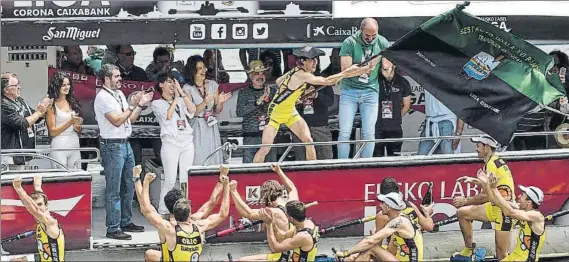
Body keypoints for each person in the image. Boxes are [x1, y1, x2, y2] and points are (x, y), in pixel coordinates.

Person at [252, 46, 363, 163]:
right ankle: (252, 174)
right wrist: (347, 71)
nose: (315, 63)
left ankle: (312, 169)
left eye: (316, 59)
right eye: (311, 60)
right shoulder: (303, 75)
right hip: (275, 114)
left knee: (308, 141)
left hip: (290, 112)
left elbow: (278, 81)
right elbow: (327, 81)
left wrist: (292, 97)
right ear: (302, 61)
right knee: (265, 148)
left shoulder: (294, 70)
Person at [94, 63, 153, 240]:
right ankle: (113, 227)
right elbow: (117, 121)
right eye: (117, 76)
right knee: (114, 189)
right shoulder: (102, 98)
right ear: (106, 79)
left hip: (125, 143)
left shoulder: (119, 94)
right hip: (112, 145)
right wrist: (131, 105)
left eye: (120, 75)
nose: (120, 79)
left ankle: (125, 220)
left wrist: (140, 106)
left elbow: (130, 120)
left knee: (129, 184)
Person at [133, 165, 230, 262]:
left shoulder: (167, 227)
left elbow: (145, 207)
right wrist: (223, 180)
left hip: (169, 256)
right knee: (150, 254)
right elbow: (214, 204)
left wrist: (140, 180)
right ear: (189, 213)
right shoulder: (198, 223)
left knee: (150, 254)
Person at [451, 135, 516, 261]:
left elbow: (487, 195)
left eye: (478, 146)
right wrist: (475, 180)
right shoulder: (493, 161)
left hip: (504, 212)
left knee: (502, 255)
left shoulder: (491, 165)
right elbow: (494, 187)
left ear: (487, 147)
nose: (476, 149)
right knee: (462, 213)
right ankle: (469, 250)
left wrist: (465, 200)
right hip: (495, 206)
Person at [337, 17, 389, 159]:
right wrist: (367, 68)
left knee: (369, 132)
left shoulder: (382, 42)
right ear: (360, 30)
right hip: (349, 91)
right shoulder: (350, 42)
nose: (370, 38)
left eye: (374, 35)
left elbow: (386, 69)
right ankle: (342, 164)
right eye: (367, 35)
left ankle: (366, 163)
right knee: (345, 131)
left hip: (370, 91)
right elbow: (345, 71)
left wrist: (388, 67)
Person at [349, 177, 433, 261]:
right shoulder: (410, 205)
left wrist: (350, 254)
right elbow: (429, 227)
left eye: (382, 202)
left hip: (399, 255)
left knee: (367, 249)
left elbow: (375, 244)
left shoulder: (381, 216)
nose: (380, 205)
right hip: (405, 252)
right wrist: (427, 213)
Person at [230, 164, 299, 261]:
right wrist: (279, 171)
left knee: (242, 261)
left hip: (281, 257)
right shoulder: (291, 202)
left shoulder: (273, 212)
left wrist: (233, 191)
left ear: (267, 198)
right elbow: (292, 187)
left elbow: (247, 213)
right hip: (285, 253)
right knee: (241, 259)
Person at [151, 73, 196, 215]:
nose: (172, 85)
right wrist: (175, 99)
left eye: (174, 82)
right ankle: (163, 210)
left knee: (184, 178)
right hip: (170, 142)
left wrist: (181, 93)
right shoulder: (157, 103)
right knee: (170, 179)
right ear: (161, 84)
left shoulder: (181, 100)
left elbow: (193, 110)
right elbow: (168, 116)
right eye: (169, 82)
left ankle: (183, 209)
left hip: (186, 140)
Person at [477, 171, 546, 262]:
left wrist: (494, 189)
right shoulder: (522, 209)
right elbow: (495, 202)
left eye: (522, 196)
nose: (518, 197)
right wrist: (487, 184)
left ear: (528, 202)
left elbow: (509, 212)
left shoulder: (536, 216)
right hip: (514, 257)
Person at [335, 192, 423, 261]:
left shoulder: (399, 222)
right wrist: (354, 255)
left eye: (382, 203)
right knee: (365, 251)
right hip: (401, 258)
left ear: (388, 207)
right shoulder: (398, 219)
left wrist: (346, 253)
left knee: (371, 247)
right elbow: (390, 251)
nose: (380, 205)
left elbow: (370, 241)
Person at [183, 55, 231, 165]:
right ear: (192, 70)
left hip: (211, 125)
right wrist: (204, 102)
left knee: (213, 155)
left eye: (204, 67)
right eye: (199, 68)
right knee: (198, 157)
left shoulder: (213, 84)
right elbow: (191, 112)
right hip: (197, 125)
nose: (203, 71)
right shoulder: (187, 88)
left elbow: (218, 110)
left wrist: (220, 101)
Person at [1, 73, 52, 169]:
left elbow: (33, 118)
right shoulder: (3, 105)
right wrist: (39, 113)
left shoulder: (20, 101)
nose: (19, 87)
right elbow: (21, 124)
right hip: (12, 157)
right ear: (6, 89)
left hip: (24, 153)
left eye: (18, 84)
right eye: (15, 85)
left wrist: (44, 110)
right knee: (16, 182)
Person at [12, 175, 65, 261]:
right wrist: (37, 187)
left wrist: (19, 189)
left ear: (46, 205)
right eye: (36, 204)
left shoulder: (49, 222)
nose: (38, 207)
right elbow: (38, 207)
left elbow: (35, 210)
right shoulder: (43, 218)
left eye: (40, 204)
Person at [235, 60, 278, 163]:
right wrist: (257, 103)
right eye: (256, 73)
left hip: (269, 136)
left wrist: (270, 100)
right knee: (249, 170)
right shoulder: (244, 92)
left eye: (262, 73)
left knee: (271, 169)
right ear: (250, 76)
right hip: (250, 137)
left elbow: (278, 111)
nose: (260, 76)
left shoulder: (272, 91)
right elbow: (240, 112)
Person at [46, 71, 83, 169]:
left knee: (76, 177)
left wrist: (77, 127)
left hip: (74, 143)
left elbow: (77, 129)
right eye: (63, 85)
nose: (67, 87)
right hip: (59, 145)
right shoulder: (51, 105)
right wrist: (70, 122)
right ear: (57, 86)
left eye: (68, 84)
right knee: (61, 179)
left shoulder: (72, 102)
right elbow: (52, 132)